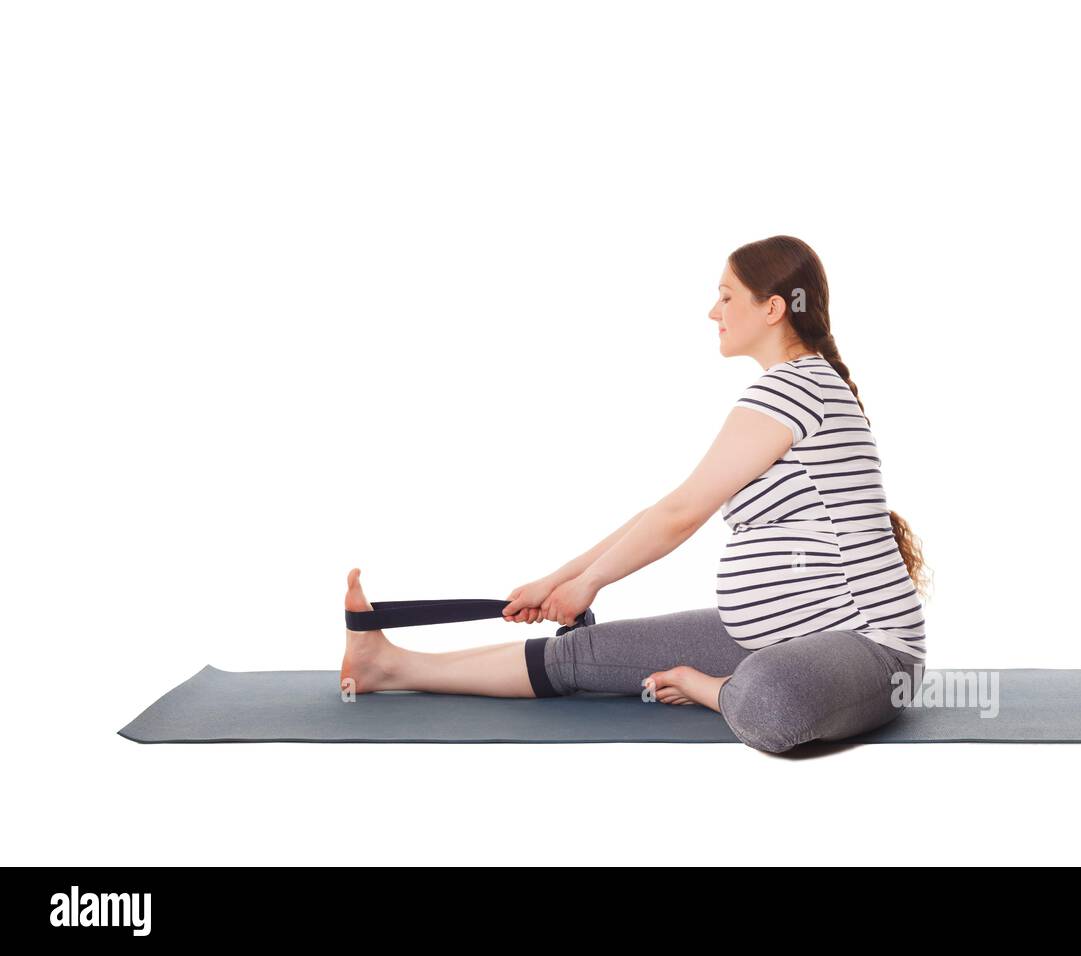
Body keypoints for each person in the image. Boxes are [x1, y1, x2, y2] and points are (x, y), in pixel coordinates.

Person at [340, 235, 929, 754]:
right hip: (765, 634)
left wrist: (601, 595)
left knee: (770, 701)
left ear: (772, 308)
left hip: (870, 650)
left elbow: (681, 515)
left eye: (726, 296)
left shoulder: (797, 388)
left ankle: (715, 688)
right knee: (581, 653)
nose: (712, 311)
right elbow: (668, 505)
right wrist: (560, 580)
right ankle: (389, 666)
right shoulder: (789, 389)